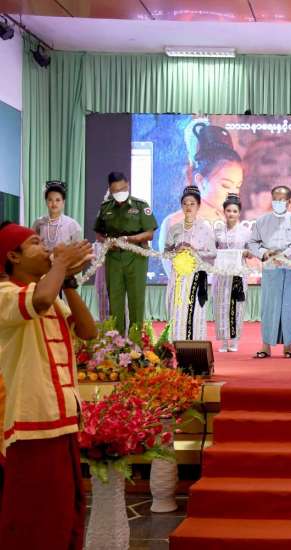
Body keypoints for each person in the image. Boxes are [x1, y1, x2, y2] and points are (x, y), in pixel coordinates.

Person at [0, 222, 97, 549]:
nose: (45, 248)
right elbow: (39, 300)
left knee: (65, 514)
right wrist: (60, 264)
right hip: (32, 424)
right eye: (35, 243)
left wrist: (67, 280)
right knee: (36, 520)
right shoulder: (6, 294)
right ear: (13, 256)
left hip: (63, 420)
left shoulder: (51, 297)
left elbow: (88, 331)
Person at [159, 122, 244, 251]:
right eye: (226, 185)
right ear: (201, 181)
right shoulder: (176, 223)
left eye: (238, 186)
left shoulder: (231, 223)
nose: (233, 194)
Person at [94, 171, 158, 335]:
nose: (120, 192)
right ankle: (117, 341)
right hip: (114, 258)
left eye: (123, 188)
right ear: (110, 189)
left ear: (128, 185)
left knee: (136, 300)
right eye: (116, 190)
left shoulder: (140, 205)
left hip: (136, 257)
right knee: (115, 300)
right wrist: (108, 242)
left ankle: (136, 340)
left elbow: (149, 233)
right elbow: (99, 234)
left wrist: (130, 239)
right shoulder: (105, 207)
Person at [247, 185, 291, 359]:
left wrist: (285, 255)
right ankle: (265, 346)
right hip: (271, 269)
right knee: (269, 307)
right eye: (275, 199)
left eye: (282, 200)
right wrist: (264, 253)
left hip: (290, 269)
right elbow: (252, 243)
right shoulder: (262, 221)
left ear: (289, 201)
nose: (278, 202)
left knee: (290, 306)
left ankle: (288, 347)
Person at [164, 186, 216, 341]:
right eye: (185, 203)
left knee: (194, 312)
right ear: (181, 205)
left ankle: (194, 347)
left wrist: (194, 252)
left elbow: (212, 253)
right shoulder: (174, 229)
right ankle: (175, 345)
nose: (188, 207)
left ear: (198, 206)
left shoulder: (205, 229)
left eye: (192, 203)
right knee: (176, 311)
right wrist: (176, 250)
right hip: (178, 278)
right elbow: (166, 253)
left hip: (196, 277)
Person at [212, 194, 252, 353]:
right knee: (221, 306)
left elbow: (251, 252)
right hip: (221, 274)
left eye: (235, 211)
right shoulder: (217, 231)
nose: (231, 214)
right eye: (228, 210)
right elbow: (211, 251)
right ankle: (223, 341)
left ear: (239, 213)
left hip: (238, 274)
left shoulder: (246, 232)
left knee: (237, 306)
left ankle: (234, 340)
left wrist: (246, 253)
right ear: (224, 211)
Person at [31, 180, 82, 249]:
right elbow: (33, 246)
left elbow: (78, 250)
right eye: (50, 200)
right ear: (46, 201)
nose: (54, 203)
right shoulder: (38, 223)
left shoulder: (72, 224)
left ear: (63, 202)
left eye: (58, 200)